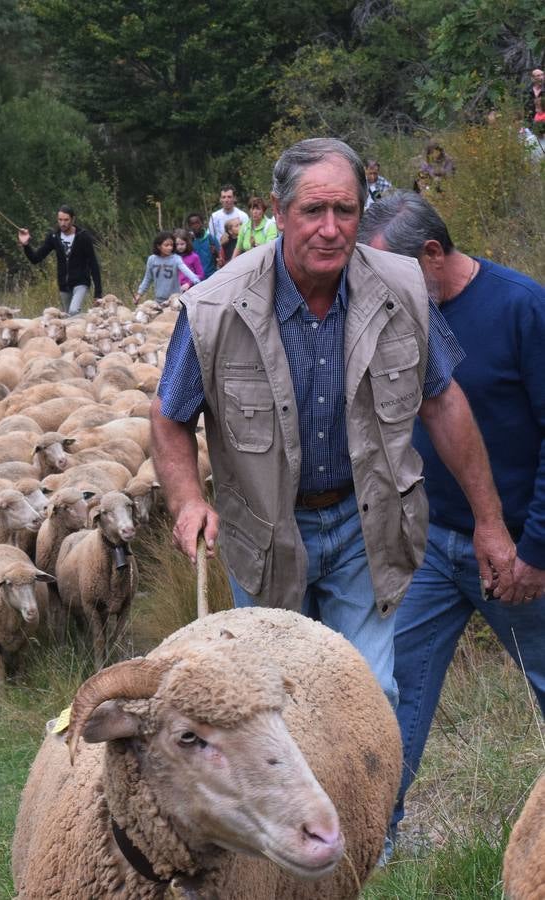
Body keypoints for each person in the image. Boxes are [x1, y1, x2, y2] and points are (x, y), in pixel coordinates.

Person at [150, 137, 515, 706]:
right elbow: (170, 415)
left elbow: (443, 402)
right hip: (265, 532)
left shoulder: (405, 289)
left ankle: (367, 798)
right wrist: (187, 500)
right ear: (278, 211)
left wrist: (489, 521)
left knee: (371, 695)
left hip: (362, 523)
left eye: (345, 211)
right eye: (312, 211)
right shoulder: (214, 307)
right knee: (273, 706)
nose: (330, 228)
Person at [359, 190, 545, 843]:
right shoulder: (403, 313)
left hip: (519, 549)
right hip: (431, 546)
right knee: (394, 686)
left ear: (432, 253)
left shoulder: (522, 307)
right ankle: (376, 835)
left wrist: (537, 552)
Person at [18, 205, 103, 316]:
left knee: (74, 311)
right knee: (68, 316)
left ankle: (87, 321)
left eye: (66, 220)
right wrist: (26, 245)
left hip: (81, 282)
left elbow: (93, 264)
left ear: (73, 219)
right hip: (64, 285)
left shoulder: (83, 237)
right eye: (60, 220)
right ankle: (81, 329)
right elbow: (36, 258)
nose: (63, 223)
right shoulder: (54, 237)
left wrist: (98, 293)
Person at [133, 231, 201, 306]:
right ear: (159, 246)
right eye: (166, 245)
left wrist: (196, 280)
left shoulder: (176, 259)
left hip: (175, 300)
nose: (170, 248)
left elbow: (186, 271)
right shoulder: (152, 260)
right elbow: (147, 278)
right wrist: (139, 294)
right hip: (159, 299)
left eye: (171, 245)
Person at [208, 185, 249, 267]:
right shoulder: (214, 217)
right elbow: (211, 239)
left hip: (241, 256)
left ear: (234, 198)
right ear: (220, 199)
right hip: (222, 258)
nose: (226, 200)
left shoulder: (243, 216)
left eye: (229, 197)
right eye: (223, 197)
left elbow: (247, 237)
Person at [186, 212, 221, 278]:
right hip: (197, 280)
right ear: (189, 226)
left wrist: (216, 252)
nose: (195, 226)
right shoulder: (189, 242)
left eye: (197, 222)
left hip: (212, 276)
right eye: (192, 224)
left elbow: (221, 257)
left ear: (202, 223)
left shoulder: (211, 239)